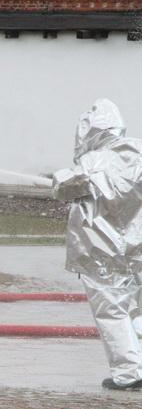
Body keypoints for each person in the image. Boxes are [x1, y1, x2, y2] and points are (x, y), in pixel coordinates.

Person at [54, 98, 142, 390]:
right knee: (138, 310)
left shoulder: (91, 162)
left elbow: (64, 189)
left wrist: (59, 178)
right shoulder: (138, 152)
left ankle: (129, 374)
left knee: (111, 312)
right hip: (137, 251)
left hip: (102, 255)